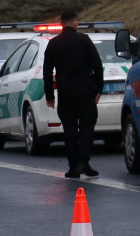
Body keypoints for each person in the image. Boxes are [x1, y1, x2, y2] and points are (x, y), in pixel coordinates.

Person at [43, 9, 104, 179]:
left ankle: (73, 167)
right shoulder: (84, 40)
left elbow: (47, 72)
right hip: (86, 92)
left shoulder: (53, 44)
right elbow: (97, 65)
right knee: (86, 127)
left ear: (61, 23)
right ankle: (84, 162)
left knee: (69, 129)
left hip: (65, 94)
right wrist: (99, 88)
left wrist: (49, 95)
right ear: (76, 23)